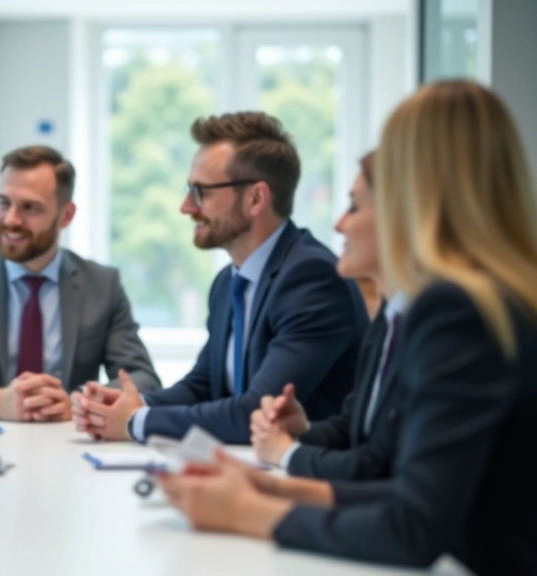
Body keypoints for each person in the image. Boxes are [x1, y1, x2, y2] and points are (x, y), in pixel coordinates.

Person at [158, 80, 537, 575]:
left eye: (357, 205)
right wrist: (271, 484)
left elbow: (411, 525)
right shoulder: (460, 301)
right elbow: (398, 476)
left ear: (415, 202)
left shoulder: (454, 310)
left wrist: (249, 510)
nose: (338, 224)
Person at [73, 112, 367, 443]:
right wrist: (131, 404)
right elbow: (203, 387)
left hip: (305, 478)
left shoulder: (311, 279)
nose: (186, 206)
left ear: (256, 198)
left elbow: (254, 413)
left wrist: (136, 421)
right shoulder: (229, 282)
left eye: (201, 192)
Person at [0, 145, 160, 420]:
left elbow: (141, 378)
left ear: (66, 215)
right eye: (4, 203)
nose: (11, 219)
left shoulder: (102, 285)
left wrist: (78, 402)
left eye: (30, 208)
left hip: (68, 445)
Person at [249, 152, 405, 480]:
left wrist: (287, 455)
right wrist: (300, 432)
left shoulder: (447, 324)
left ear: (402, 220)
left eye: (354, 207)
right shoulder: (390, 315)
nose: (339, 224)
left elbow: (383, 468)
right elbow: (352, 427)